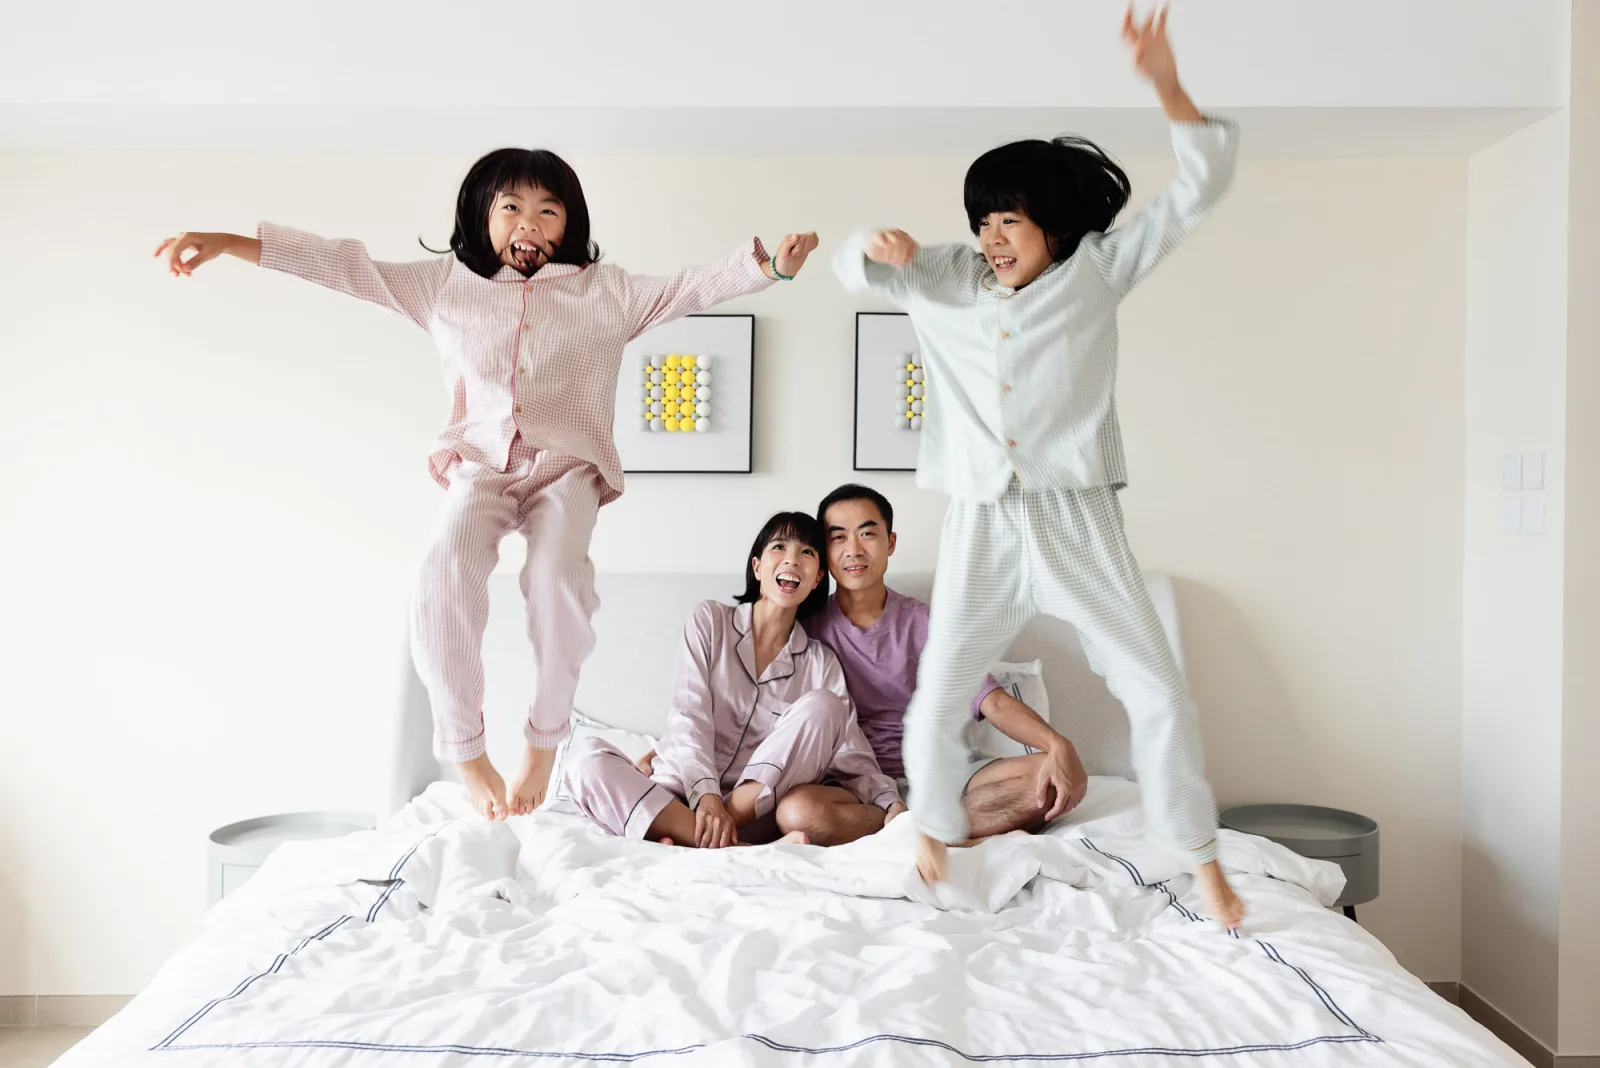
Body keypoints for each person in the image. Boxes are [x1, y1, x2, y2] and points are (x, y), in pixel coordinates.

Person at [154, 148, 818, 822]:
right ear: (485, 216)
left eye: (547, 211)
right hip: (479, 467)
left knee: (558, 582)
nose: (529, 222)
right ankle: (466, 750)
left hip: (567, 469)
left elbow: (691, 287)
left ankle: (545, 739)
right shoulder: (445, 286)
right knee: (442, 574)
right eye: (512, 208)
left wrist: (768, 267)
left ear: (567, 225)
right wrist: (228, 244)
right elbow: (346, 268)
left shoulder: (606, 293)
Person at [831, 5, 1245, 927]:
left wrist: (1168, 85)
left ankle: (1201, 857)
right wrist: (875, 243)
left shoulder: (1098, 271)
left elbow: (1199, 187)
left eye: (1008, 221)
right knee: (941, 688)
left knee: (1160, 692)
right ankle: (932, 832)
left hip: (1077, 517)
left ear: (1050, 224)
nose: (991, 239)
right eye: (983, 222)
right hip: (983, 517)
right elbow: (848, 267)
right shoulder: (945, 280)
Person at [774, 484, 1086, 846]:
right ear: (825, 552)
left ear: (890, 543)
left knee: (1047, 780)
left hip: (943, 779)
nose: (854, 550)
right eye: (839, 537)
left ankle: (913, 829)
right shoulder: (806, 628)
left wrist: (1058, 745)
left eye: (867, 534)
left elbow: (993, 702)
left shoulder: (923, 621)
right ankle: (930, 831)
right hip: (852, 788)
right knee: (796, 813)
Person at [564, 512, 900, 846]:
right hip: (675, 793)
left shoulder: (820, 663)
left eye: (807, 553)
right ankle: (728, 847)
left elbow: (851, 755)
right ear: (757, 567)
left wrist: (891, 804)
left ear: (816, 580)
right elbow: (689, 715)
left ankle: (693, 836)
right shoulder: (709, 621)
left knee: (825, 706)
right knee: (583, 760)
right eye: (779, 547)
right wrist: (706, 795)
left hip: (749, 815)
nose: (792, 560)